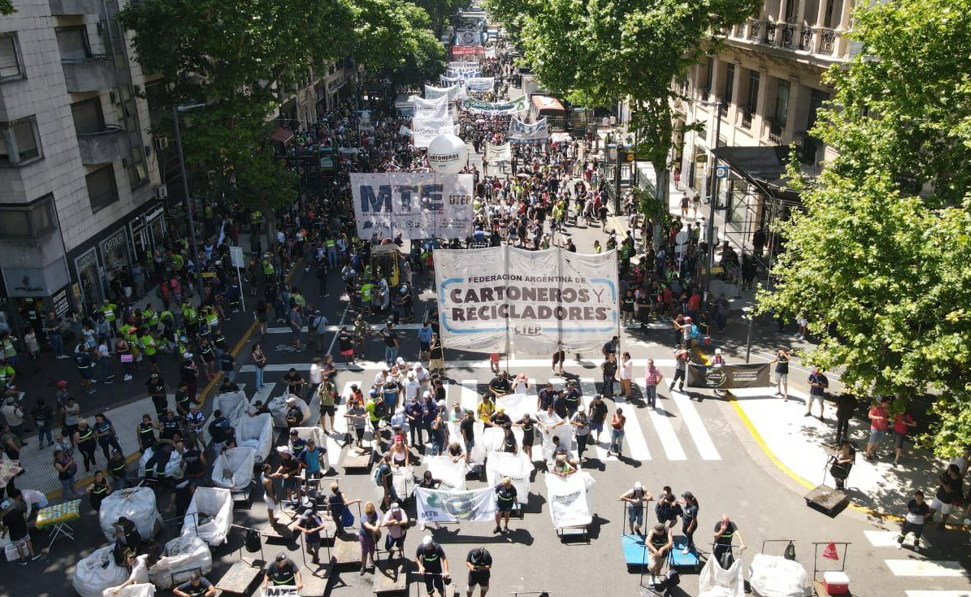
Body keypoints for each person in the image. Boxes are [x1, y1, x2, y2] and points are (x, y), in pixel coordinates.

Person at [1, 498, 41, 565]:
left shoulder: (5, 518)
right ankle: (33, 555)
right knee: (28, 541)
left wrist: (3, 535)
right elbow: (25, 518)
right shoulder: (18, 510)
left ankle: (23, 560)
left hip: (14, 533)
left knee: (18, 545)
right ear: (10, 505)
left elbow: (6, 528)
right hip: (23, 529)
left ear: (3, 509)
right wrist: (24, 522)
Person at [927, 463, 964, 529]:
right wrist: (944, 485)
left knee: (945, 513)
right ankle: (930, 517)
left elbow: (948, 491)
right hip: (939, 496)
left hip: (948, 501)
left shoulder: (958, 482)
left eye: (949, 470)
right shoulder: (948, 473)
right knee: (932, 508)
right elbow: (939, 478)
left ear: (952, 473)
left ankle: (942, 523)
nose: (947, 470)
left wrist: (944, 485)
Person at [359, 501, 381, 574]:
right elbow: (366, 524)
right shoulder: (363, 516)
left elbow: (378, 521)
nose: (370, 515)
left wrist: (376, 527)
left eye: (372, 513)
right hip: (364, 535)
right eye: (369, 513)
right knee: (364, 551)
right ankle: (363, 566)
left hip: (372, 535)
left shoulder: (376, 514)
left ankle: (371, 558)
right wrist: (373, 528)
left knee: (372, 548)